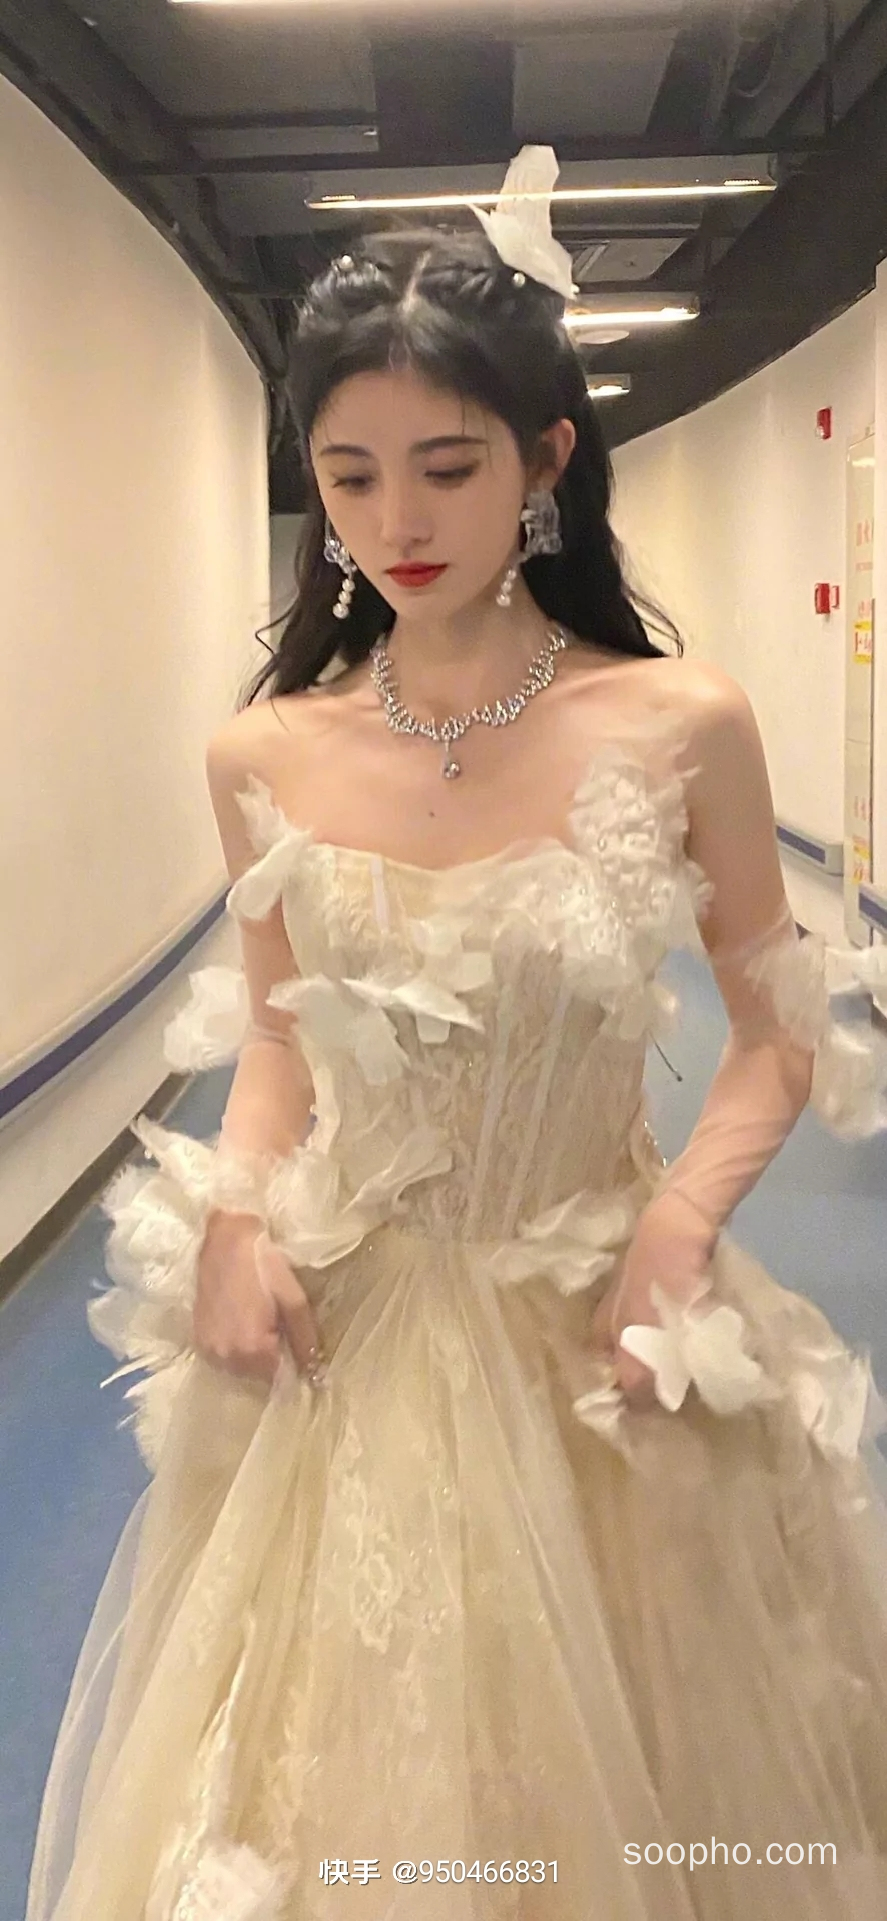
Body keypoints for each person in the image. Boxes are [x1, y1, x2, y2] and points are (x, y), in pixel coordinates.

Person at [26, 147, 887, 1921]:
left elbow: (774, 1029)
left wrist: (681, 1220)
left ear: (545, 461)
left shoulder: (680, 723)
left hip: (602, 1317)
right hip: (362, 1335)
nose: (396, 519)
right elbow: (279, 1046)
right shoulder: (264, 754)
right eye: (350, 475)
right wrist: (237, 1219)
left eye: (448, 464)